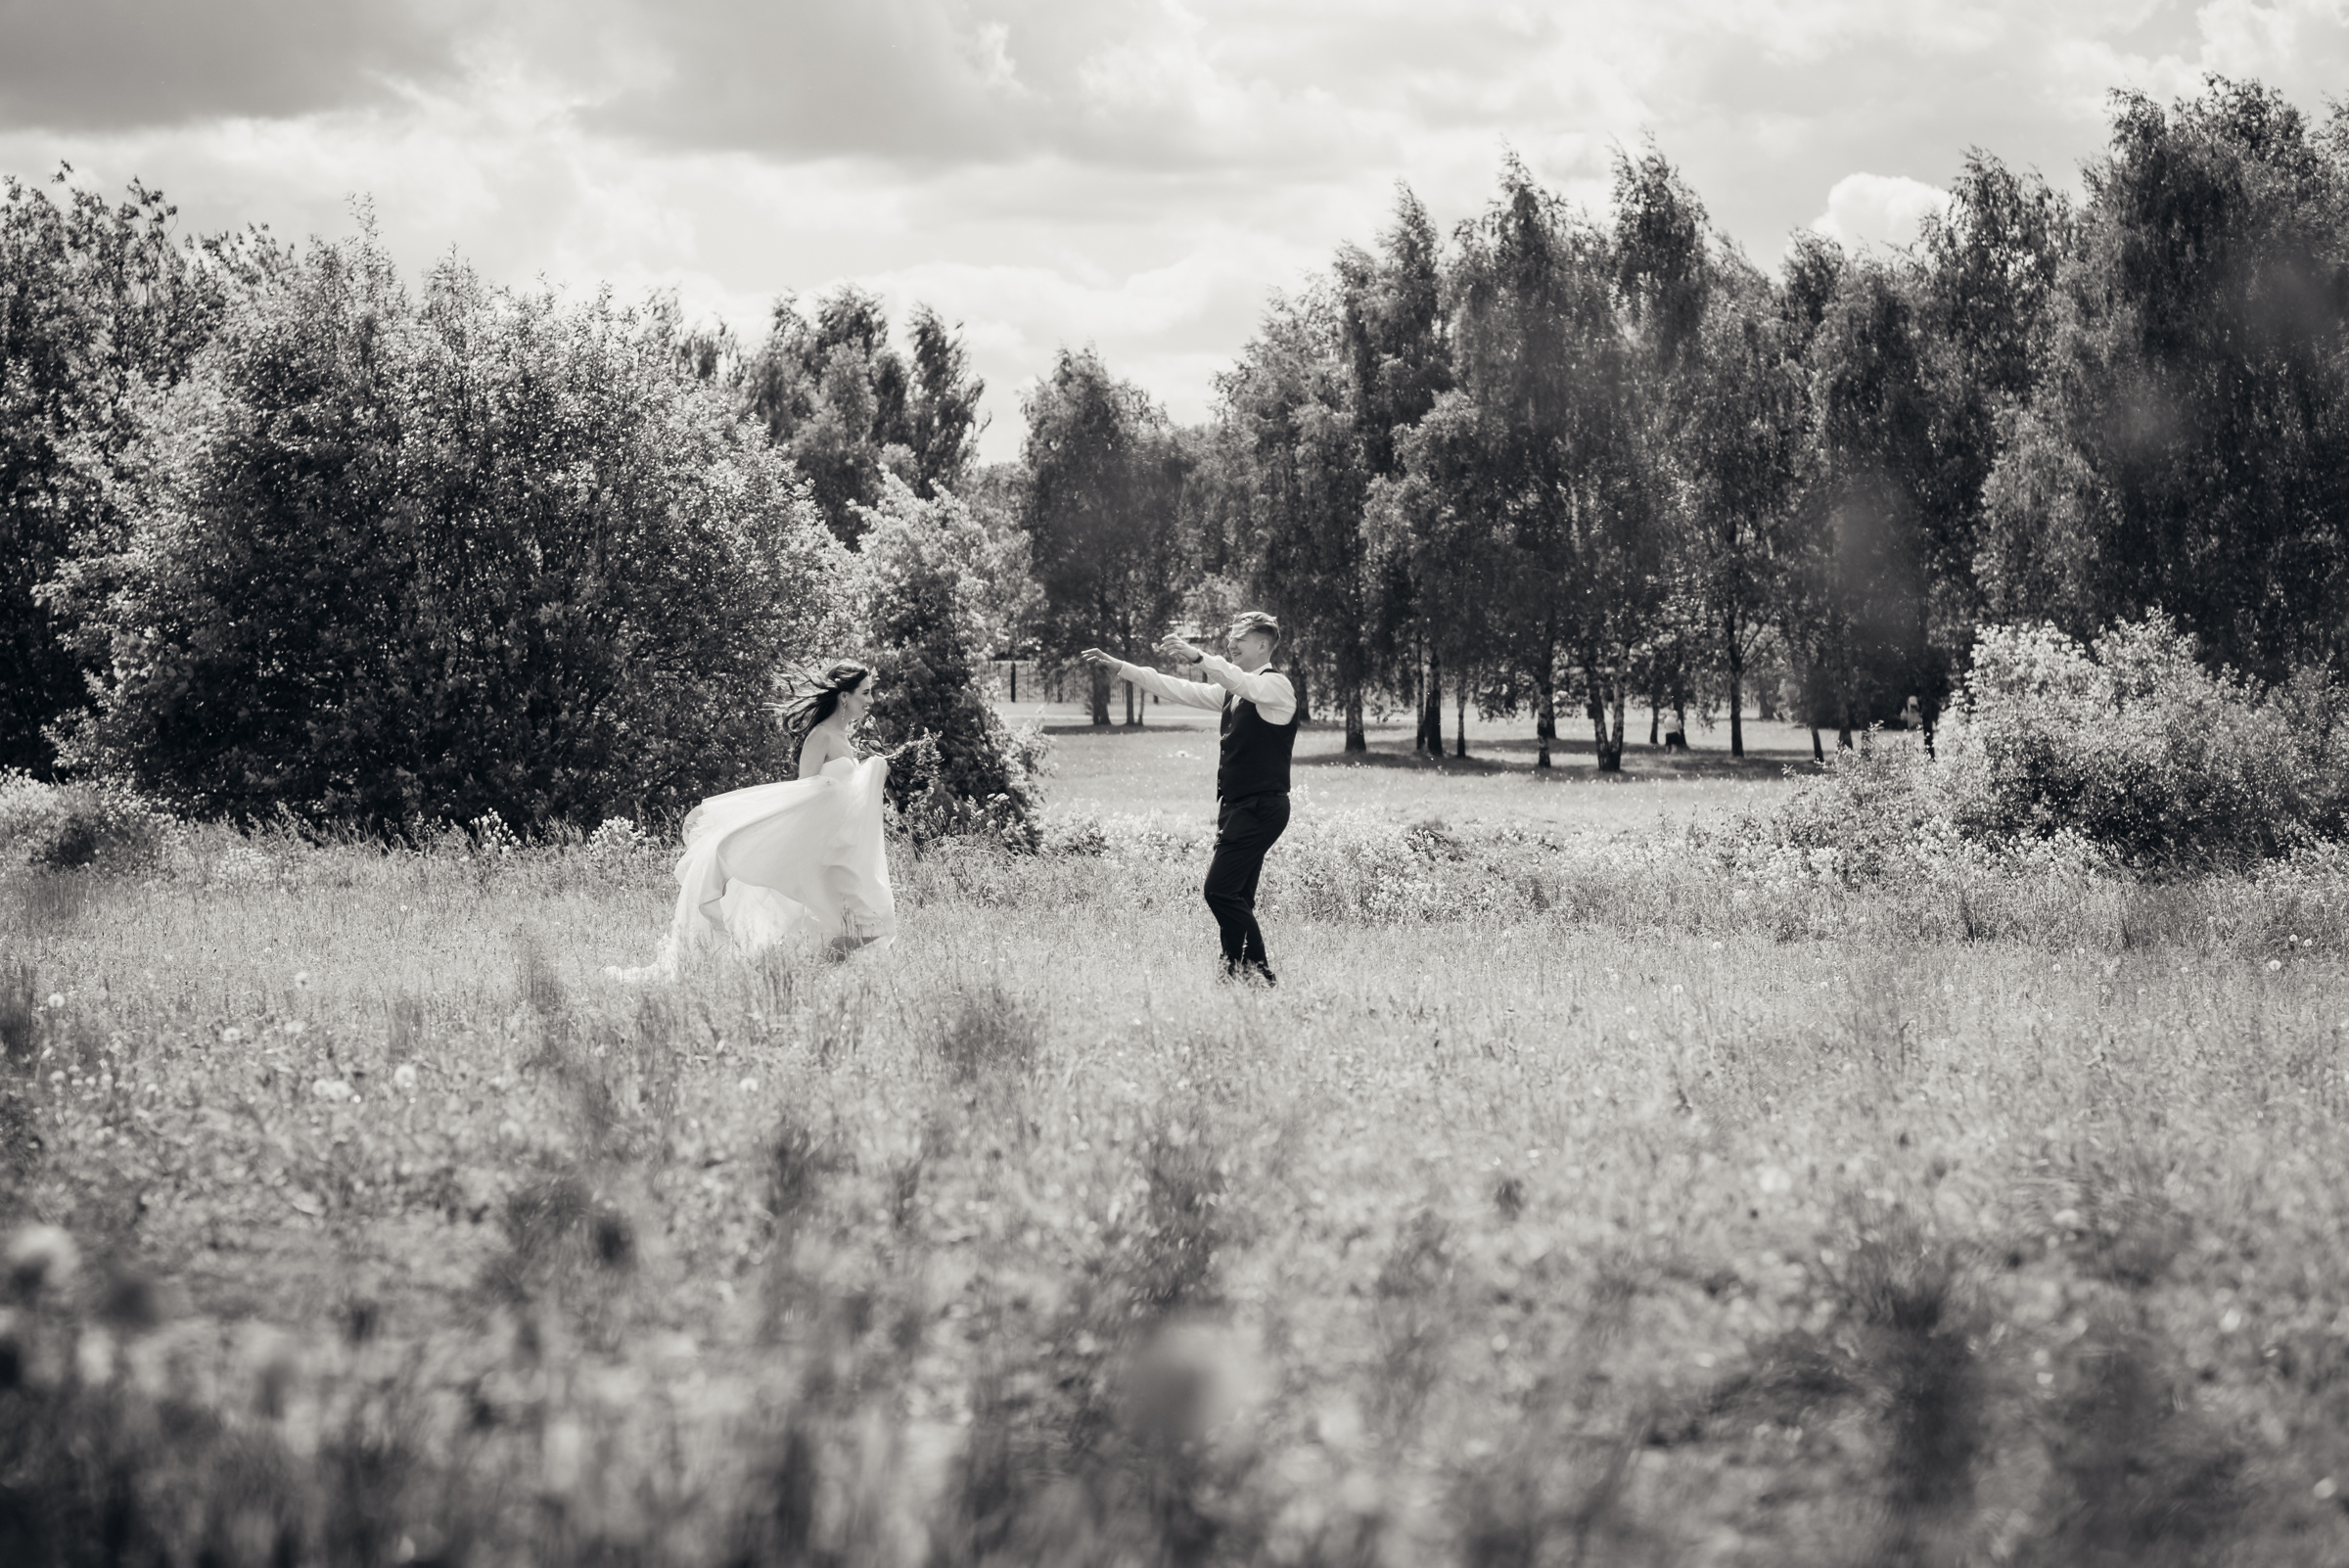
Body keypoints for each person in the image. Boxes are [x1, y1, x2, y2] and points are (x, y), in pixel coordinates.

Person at [605, 661, 898, 982]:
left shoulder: (846, 739)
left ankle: (804, 977)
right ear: (844, 696)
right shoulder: (821, 736)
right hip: (819, 849)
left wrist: (880, 769)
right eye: (865, 693)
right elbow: (802, 794)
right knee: (863, 923)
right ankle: (803, 978)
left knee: (868, 922)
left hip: (840, 847)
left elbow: (845, 794)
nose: (870, 700)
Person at [1082, 612, 1296, 985]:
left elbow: (1239, 681)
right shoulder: (1236, 692)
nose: (1230, 645)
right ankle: (1231, 974)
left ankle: (1260, 972)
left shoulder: (1275, 688)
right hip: (1236, 807)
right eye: (1229, 639)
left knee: (1218, 891)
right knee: (1238, 897)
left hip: (1262, 807)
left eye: (1238, 640)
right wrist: (1124, 668)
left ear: (1263, 645)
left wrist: (1198, 656)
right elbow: (1179, 689)